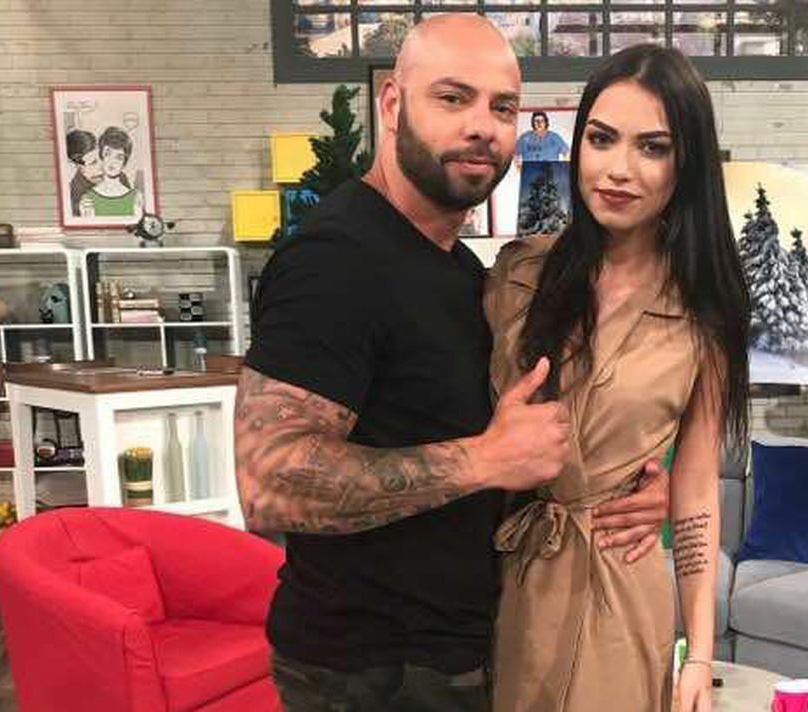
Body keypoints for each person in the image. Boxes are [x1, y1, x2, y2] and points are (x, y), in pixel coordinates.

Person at [235, 15, 671, 712]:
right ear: (392, 104)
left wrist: (631, 492)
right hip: (367, 673)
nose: (482, 127)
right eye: (453, 98)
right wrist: (483, 460)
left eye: (503, 107)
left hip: (459, 654)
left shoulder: (463, 269)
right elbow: (270, 484)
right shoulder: (335, 260)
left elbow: (498, 445)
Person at [485, 43, 751, 712]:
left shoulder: (706, 311)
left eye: (652, 147)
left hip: (619, 584)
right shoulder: (518, 274)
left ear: (686, 164)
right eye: (601, 139)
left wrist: (699, 653)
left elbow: (696, 487)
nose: (619, 170)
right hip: (505, 577)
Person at [80, 126, 143, 217]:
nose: (112, 161)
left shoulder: (135, 198)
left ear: (124, 163)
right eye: (108, 154)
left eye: (119, 157)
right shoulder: (88, 200)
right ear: (101, 156)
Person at [64, 130, 102, 217]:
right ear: (77, 165)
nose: (102, 166)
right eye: (93, 162)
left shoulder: (118, 176)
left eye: (101, 158)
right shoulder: (75, 195)